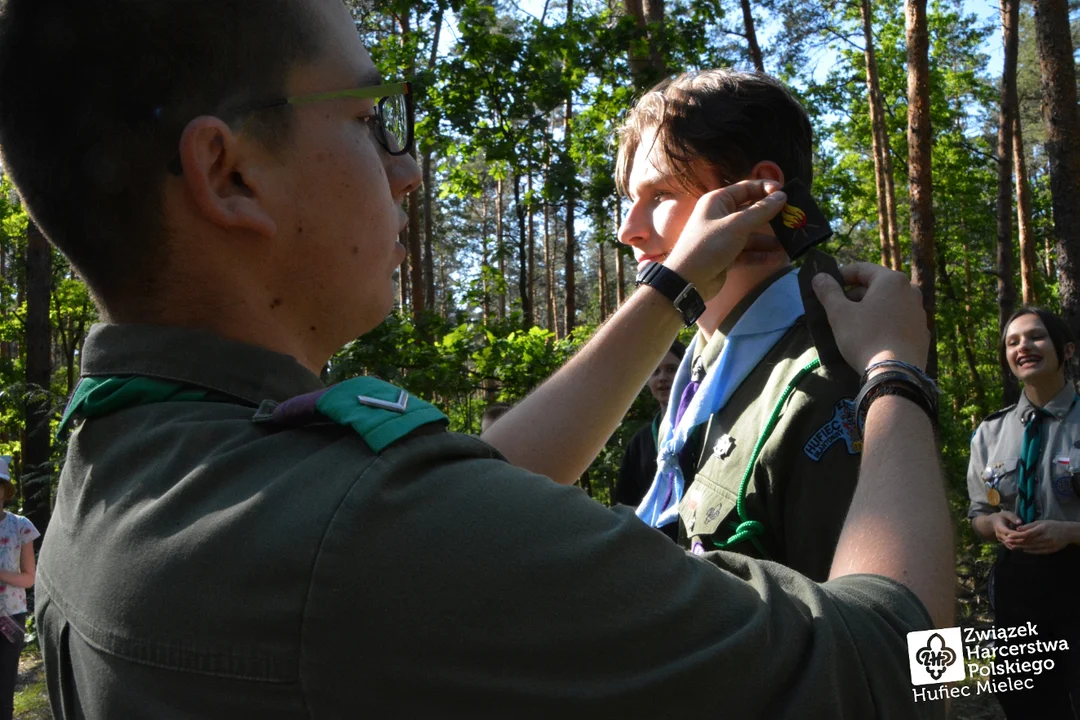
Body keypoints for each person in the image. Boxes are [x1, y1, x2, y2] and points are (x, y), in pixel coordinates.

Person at [0, 1, 951, 716]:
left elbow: (480, 481)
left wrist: (1035, 660)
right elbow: (904, 661)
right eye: (370, 120)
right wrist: (900, 376)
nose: (407, 169)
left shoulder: (120, 463)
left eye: (655, 198)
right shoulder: (357, 532)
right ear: (231, 173)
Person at [606, 70, 863, 579]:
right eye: (630, 201)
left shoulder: (832, 376)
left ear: (754, 196)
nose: (627, 230)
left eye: (659, 197)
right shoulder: (697, 373)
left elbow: (899, 639)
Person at [967, 307, 1080, 719]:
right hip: (1018, 593)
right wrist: (993, 524)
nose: (1023, 348)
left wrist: (1070, 533)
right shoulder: (989, 433)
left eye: (1035, 337)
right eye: (1013, 342)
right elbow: (977, 513)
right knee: (1029, 706)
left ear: (1065, 349)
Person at [614, 340, 685, 516]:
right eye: (655, 371)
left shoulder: (704, 428)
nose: (662, 378)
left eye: (671, 369)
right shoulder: (639, 442)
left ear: (688, 372)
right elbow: (624, 504)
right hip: (652, 540)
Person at [0, 457, 39, 720]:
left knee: (3, 689)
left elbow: (29, 579)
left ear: (6, 491)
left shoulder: (20, 526)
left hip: (11, 616)